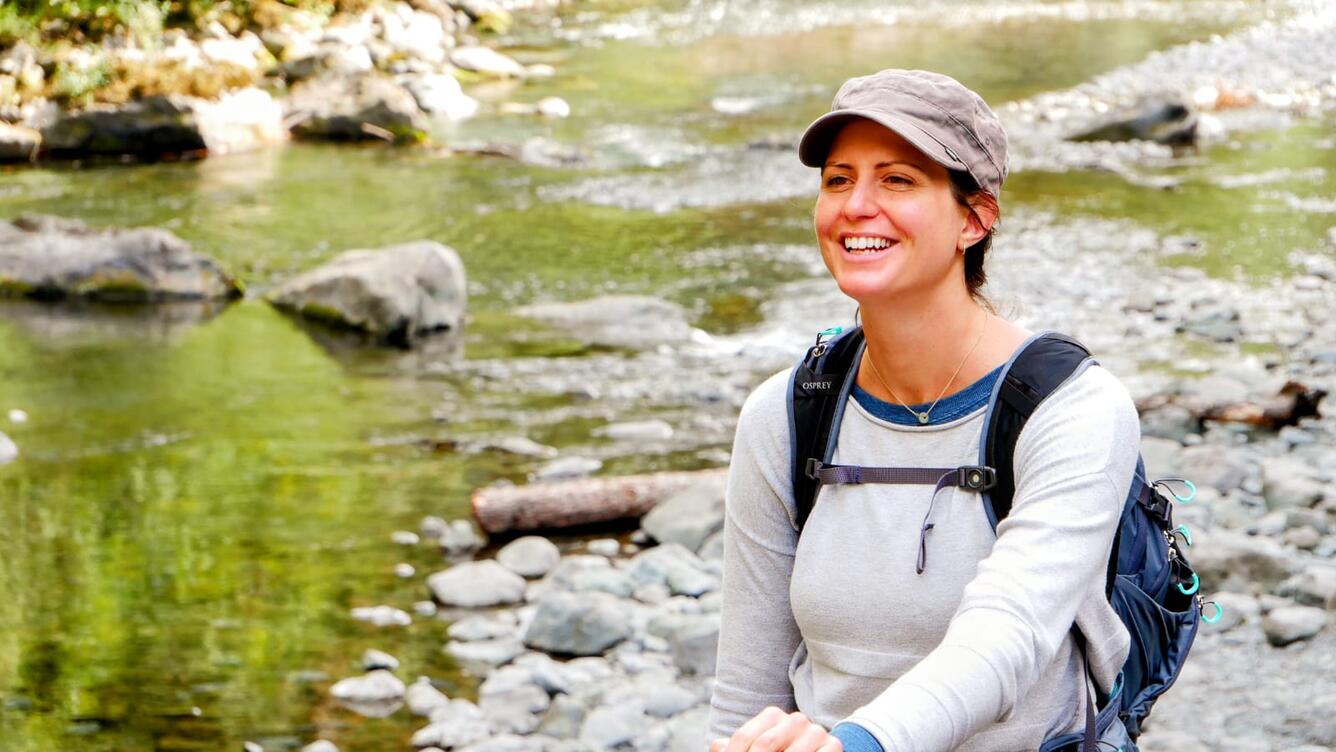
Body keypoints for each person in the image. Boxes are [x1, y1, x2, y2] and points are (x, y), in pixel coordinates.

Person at [707, 69, 1139, 752]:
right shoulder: (786, 416)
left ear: (974, 217)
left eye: (898, 180)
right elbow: (747, 688)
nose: (856, 205)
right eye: (839, 179)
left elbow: (1007, 632)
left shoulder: (1073, 410)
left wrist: (859, 743)